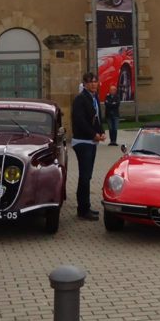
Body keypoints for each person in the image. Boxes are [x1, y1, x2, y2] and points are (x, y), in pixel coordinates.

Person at [71, 71, 106, 220]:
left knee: (88, 176)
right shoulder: (80, 99)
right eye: (90, 81)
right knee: (84, 176)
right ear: (84, 83)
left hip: (92, 141)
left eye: (95, 81)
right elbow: (80, 121)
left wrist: (102, 132)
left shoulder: (94, 97)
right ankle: (83, 209)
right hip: (83, 141)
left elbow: (97, 118)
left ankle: (86, 206)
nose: (93, 84)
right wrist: (93, 134)